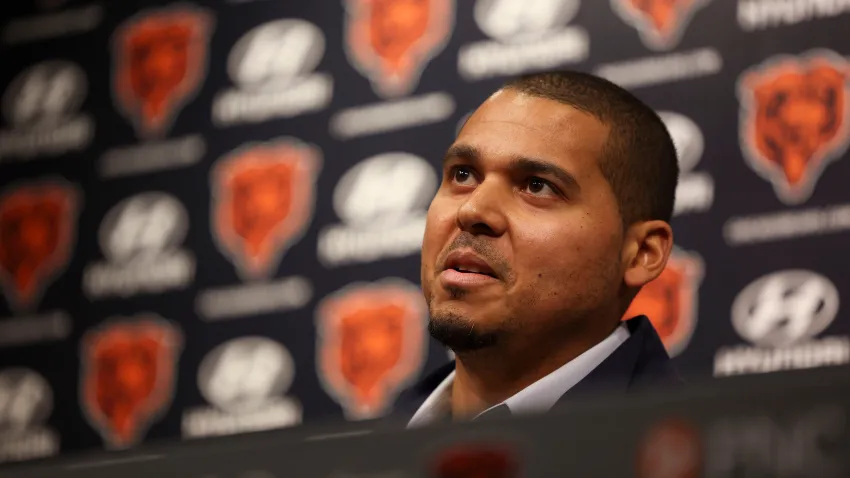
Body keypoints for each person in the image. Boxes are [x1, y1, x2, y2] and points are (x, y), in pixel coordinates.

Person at [398, 70, 682, 427]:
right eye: (463, 175)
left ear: (642, 253)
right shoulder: (358, 453)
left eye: (537, 186)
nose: (472, 210)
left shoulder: (699, 455)